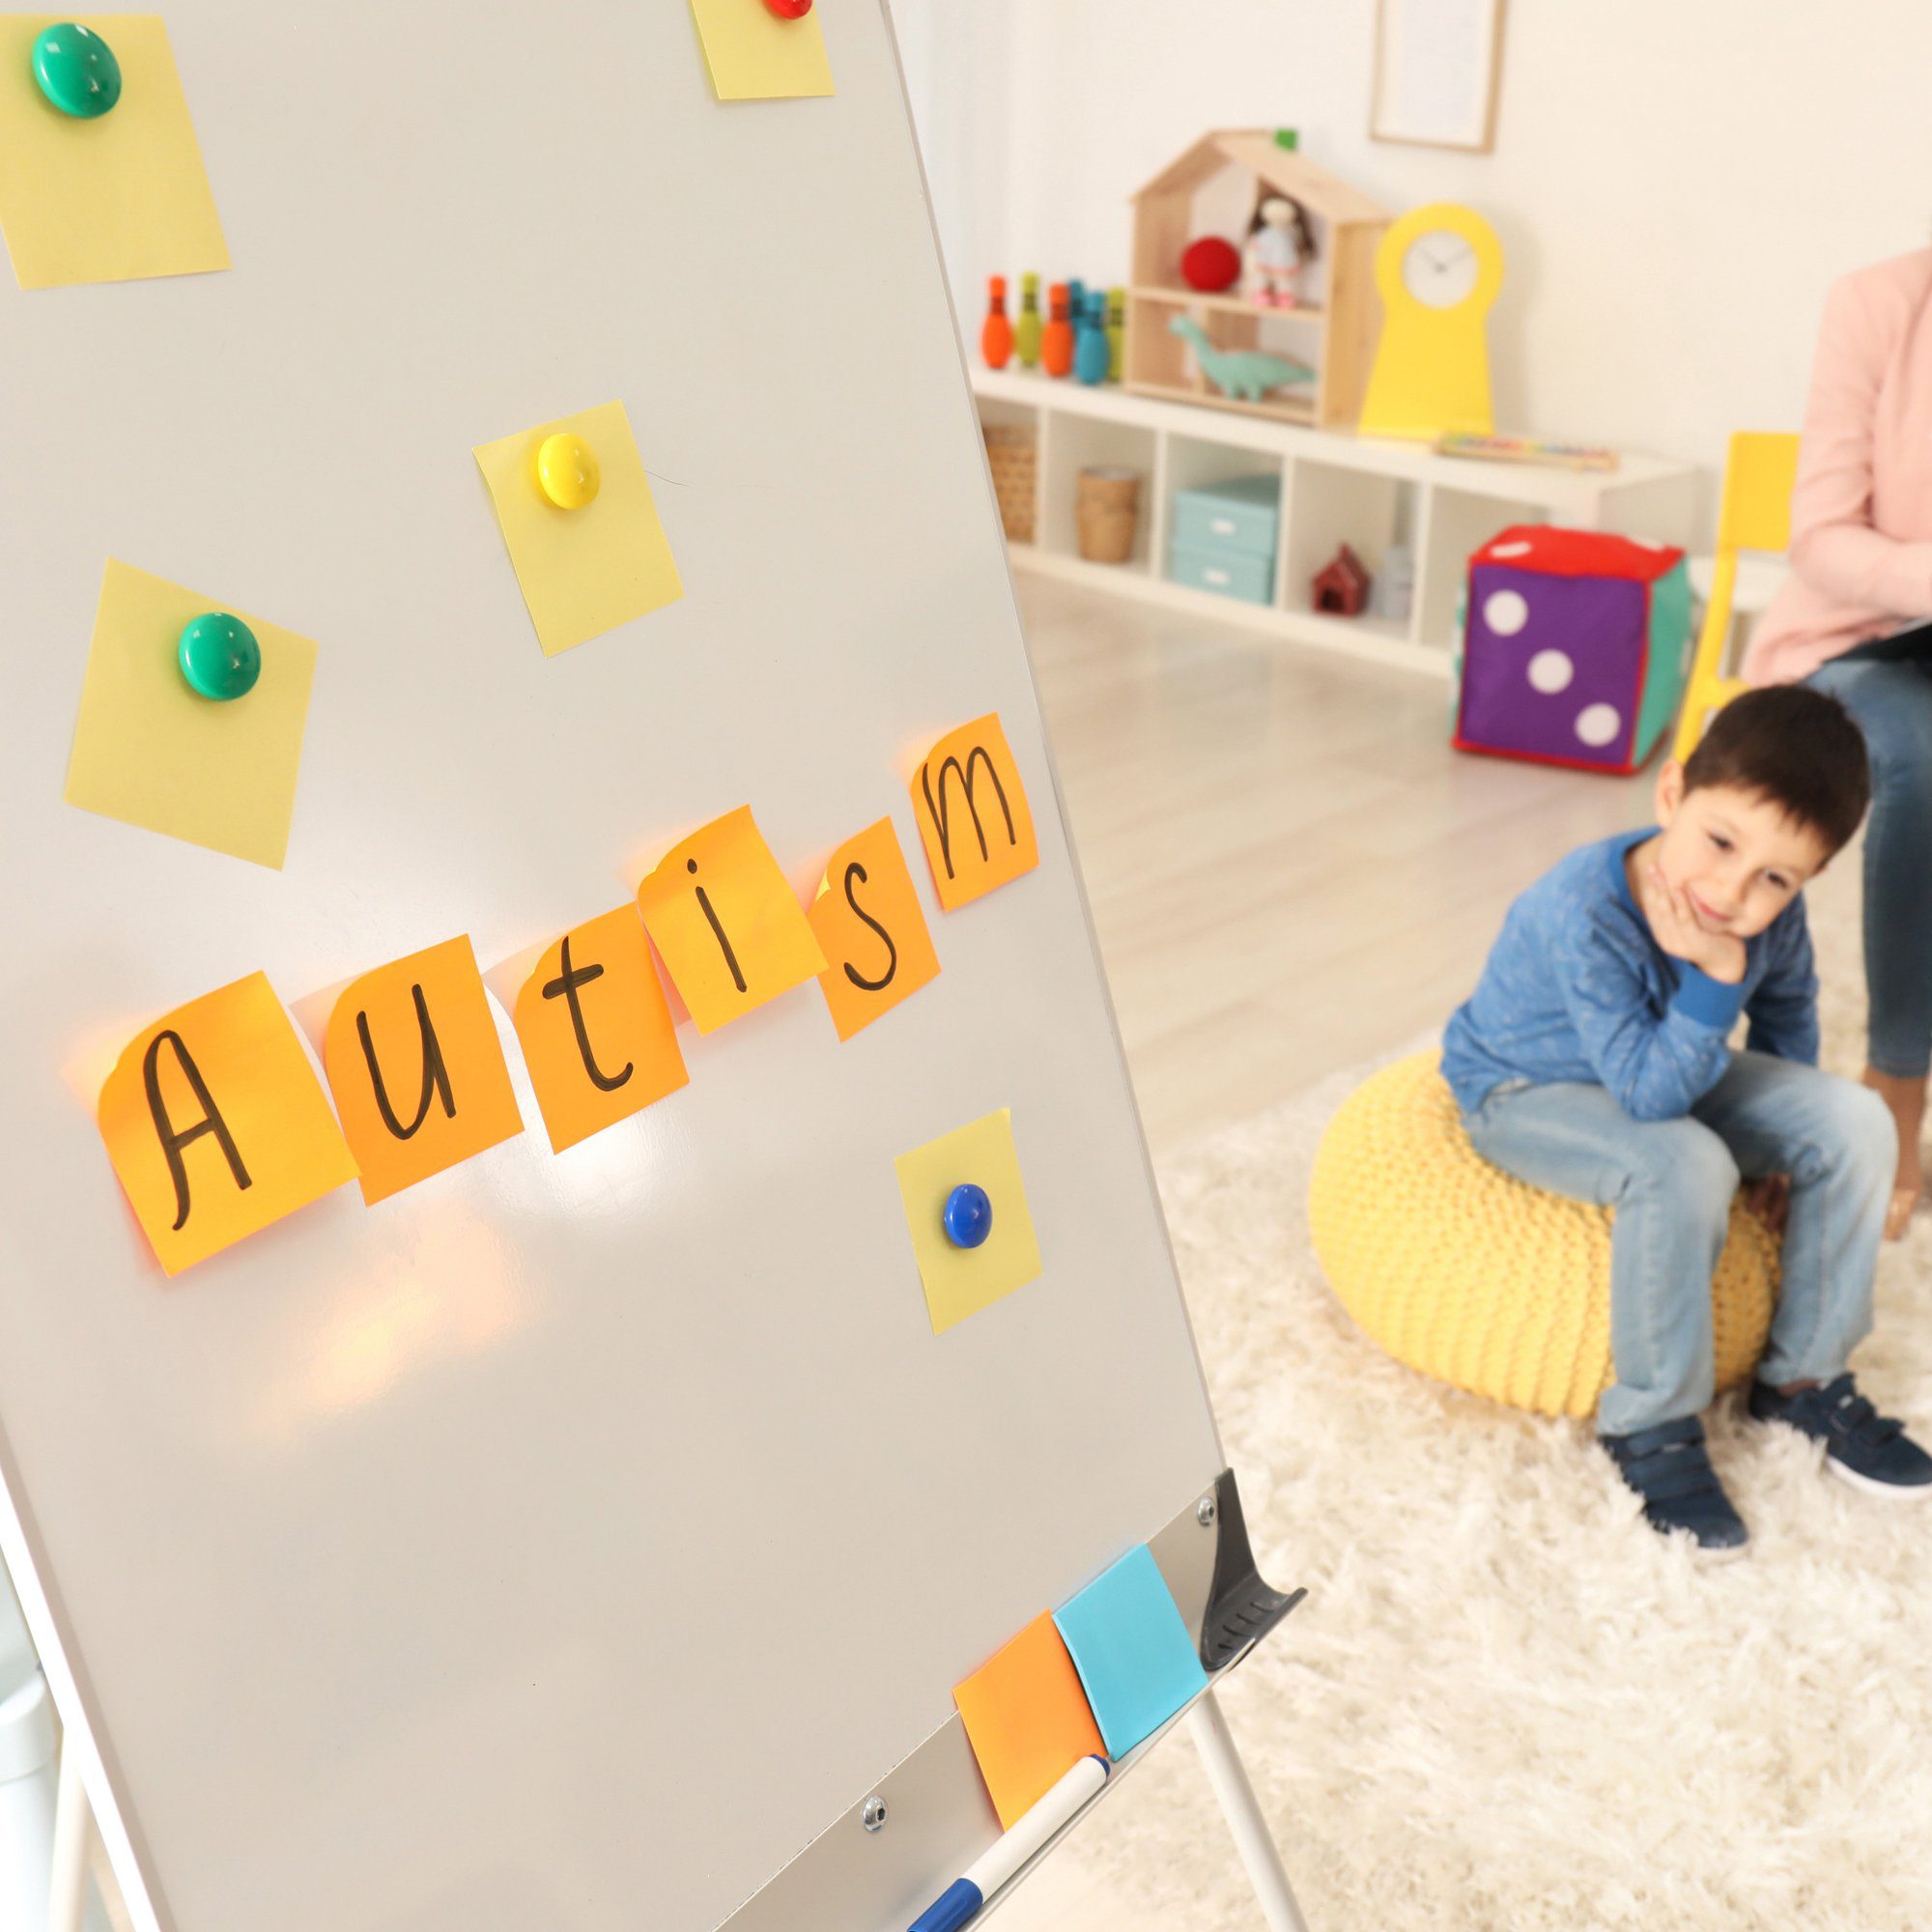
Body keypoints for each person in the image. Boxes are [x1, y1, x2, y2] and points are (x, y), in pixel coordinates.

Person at [1441, 688, 1932, 1557]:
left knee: (1857, 1120)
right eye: (1719, 843)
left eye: (1774, 879)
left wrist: (1786, 1156)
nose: (1729, 891)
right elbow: (1648, 1099)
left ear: (1808, 878)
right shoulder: (1585, 909)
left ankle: (1805, 1375)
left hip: (1668, 1059)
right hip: (1528, 1089)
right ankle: (1651, 1418)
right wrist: (1714, 972)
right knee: (1687, 1162)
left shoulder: (1767, 920)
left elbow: (1787, 1020)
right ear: (1671, 796)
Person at [1745, 247, 1932, 1238]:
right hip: (1864, 643)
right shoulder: (1877, 305)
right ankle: (1895, 1079)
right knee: (1922, 757)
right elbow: (1818, 534)